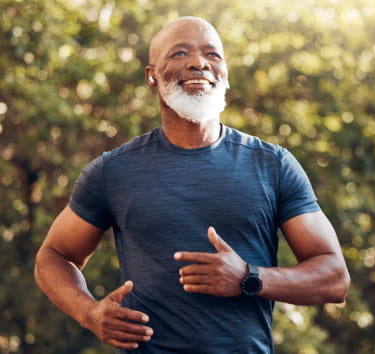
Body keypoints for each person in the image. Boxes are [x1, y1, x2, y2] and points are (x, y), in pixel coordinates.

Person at [34, 16, 350, 353]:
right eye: (179, 53)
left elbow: (334, 279)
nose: (199, 63)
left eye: (213, 55)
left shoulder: (273, 165)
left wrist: (249, 277)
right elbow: (53, 256)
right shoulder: (113, 171)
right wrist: (89, 313)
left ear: (225, 72)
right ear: (151, 74)